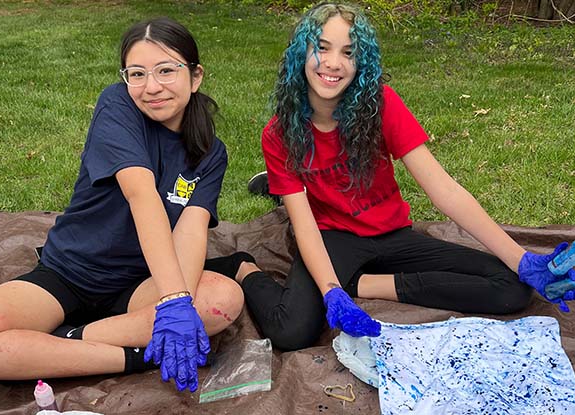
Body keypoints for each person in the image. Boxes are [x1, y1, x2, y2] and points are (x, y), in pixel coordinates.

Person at [238, 2, 575, 351]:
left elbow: (443, 189)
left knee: (512, 288)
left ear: (361, 63)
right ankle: (244, 268)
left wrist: (522, 259)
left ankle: (360, 284)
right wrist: (330, 289)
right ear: (301, 52)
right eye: (321, 47)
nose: (333, 63)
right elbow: (304, 224)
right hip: (332, 237)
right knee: (290, 332)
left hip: (392, 233)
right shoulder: (279, 133)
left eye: (348, 52)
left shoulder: (380, 105)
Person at [0, 16, 248, 393]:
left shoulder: (211, 153)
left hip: (140, 286)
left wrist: (176, 301)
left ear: (195, 77)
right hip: (69, 275)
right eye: (137, 73)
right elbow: (141, 194)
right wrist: (176, 302)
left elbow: (191, 231)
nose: (152, 87)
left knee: (223, 298)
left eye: (166, 70)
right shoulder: (118, 106)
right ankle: (136, 357)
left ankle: (57, 347)